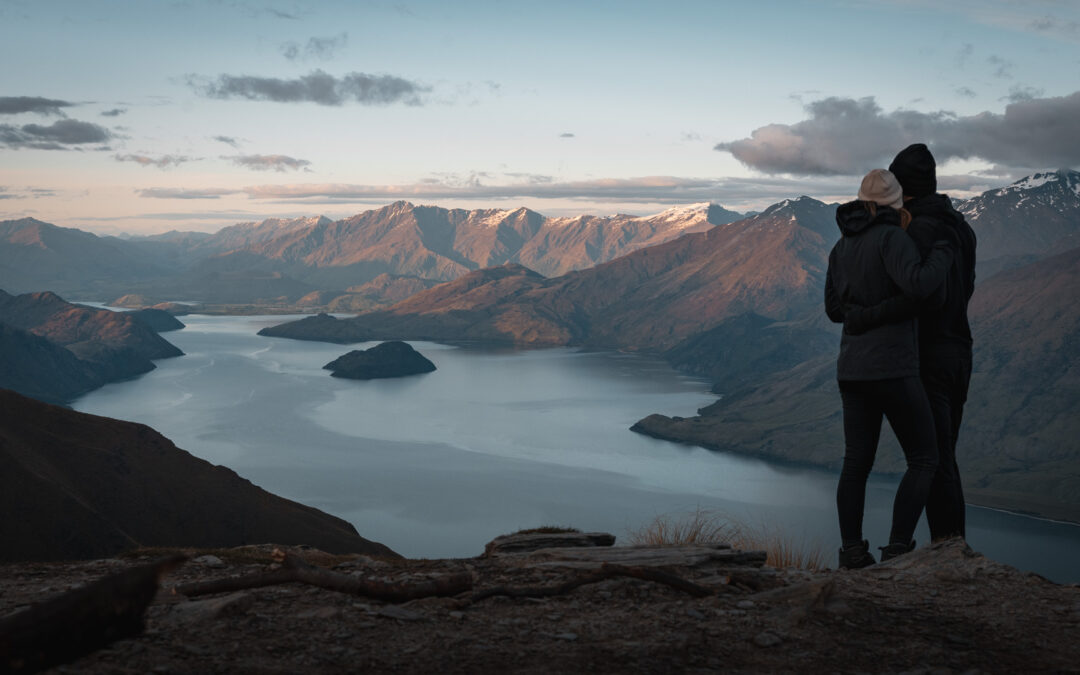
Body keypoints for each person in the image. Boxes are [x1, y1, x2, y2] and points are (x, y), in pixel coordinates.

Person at [845, 144, 977, 541]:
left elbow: (922, 296)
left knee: (930, 461)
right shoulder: (960, 226)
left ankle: (945, 552)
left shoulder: (912, 229)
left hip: (926, 353)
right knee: (942, 458)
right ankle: (950, 548)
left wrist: (864, 316)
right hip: (959, 352)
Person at [824, 168, 955, 569]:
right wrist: (943, 253)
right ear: (895, 204)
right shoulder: (892, 238)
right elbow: (917, 285)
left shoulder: (840, 247)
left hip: (852, 371)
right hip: (894, 368)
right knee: (924, 458)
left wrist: (860, 314)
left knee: (855, 463)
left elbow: (833, 311)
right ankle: (898, 549)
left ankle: (851, 552)